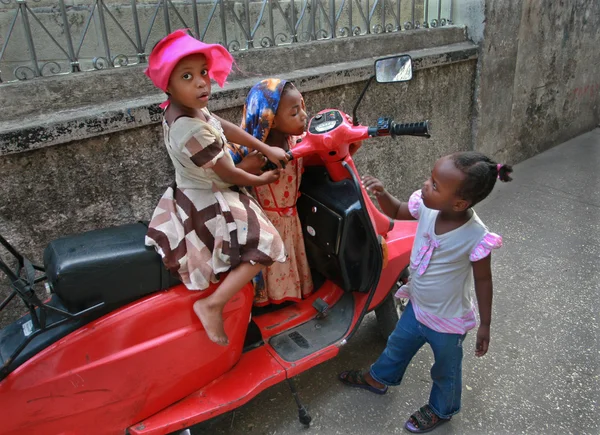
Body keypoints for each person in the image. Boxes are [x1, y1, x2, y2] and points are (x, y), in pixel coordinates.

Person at [339, 152, 513, 433]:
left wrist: (486, 324)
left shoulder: (477, 237)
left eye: (434, 185)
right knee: (396, 346)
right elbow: (397, 210)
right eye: (430, 179)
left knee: (446, 369)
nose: (425, 185)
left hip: (448, 322)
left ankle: (442, 408)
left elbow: (483, 280)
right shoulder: (430, 207)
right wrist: (382, 194)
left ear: (459, 203)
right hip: (418, 307)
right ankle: (378, 378)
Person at [144, 30, 290, 345]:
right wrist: (260, 177)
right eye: (187, 76)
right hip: (211, 199)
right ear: (167, 85)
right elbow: (230, 175)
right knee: (266, 247)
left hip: (204, 188)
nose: (201, 82)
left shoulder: (186, 110)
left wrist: (264, 150)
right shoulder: (187, 129)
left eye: (203, 73)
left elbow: (221, 126)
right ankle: (212, 305)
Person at [227, 79, 314, 305]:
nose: (304, 116)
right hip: (266, 223)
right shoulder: (247, 150)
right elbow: (221, 174)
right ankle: (271, 305)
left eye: (303, 108)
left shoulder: (297, 141)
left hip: (292, 220)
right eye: (294, 113)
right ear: (271, 120)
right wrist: (246, 167)